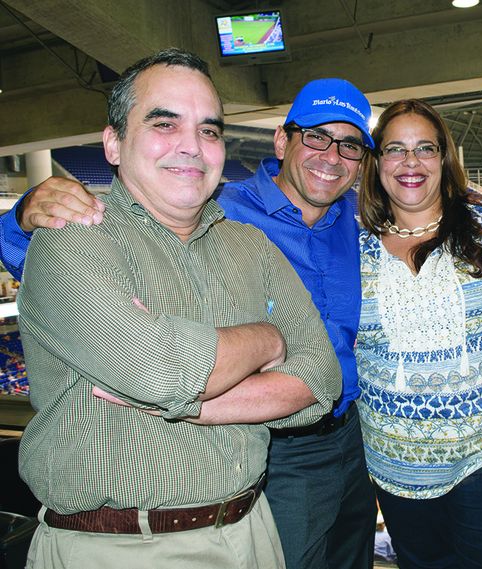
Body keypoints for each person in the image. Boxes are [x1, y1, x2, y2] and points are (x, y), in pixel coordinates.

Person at [0, 79, 378, 569]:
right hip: (273, 454)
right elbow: (46, 268)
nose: (332, 156)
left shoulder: (356, 217)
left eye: (350, 145)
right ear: (283, 142)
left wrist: (176, 398)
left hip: (344, 437)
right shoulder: (219, 207)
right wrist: (24, 214)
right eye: (316, 137)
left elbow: (321, 375)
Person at [356, 99, 482, 569]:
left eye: (424, 148)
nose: (411, 162)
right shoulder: (354, 247)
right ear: (376, 163)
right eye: (395, 149)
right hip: (393, 461)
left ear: (444, 159)